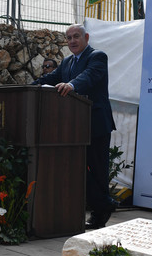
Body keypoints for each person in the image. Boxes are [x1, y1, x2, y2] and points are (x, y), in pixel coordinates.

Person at [32, 24, 117, 229]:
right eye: (69, 38)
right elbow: (51, 78)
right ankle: (104, 204)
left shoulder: (97, 57)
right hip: (73, 125)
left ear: (86, 37)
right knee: (75, 167)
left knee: (97, 170)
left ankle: (99, 214)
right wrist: (30, 86)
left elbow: (88, 76)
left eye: (76, 36)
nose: (72, 41)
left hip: (95, 124)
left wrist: (71, 85)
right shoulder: (67, 62)